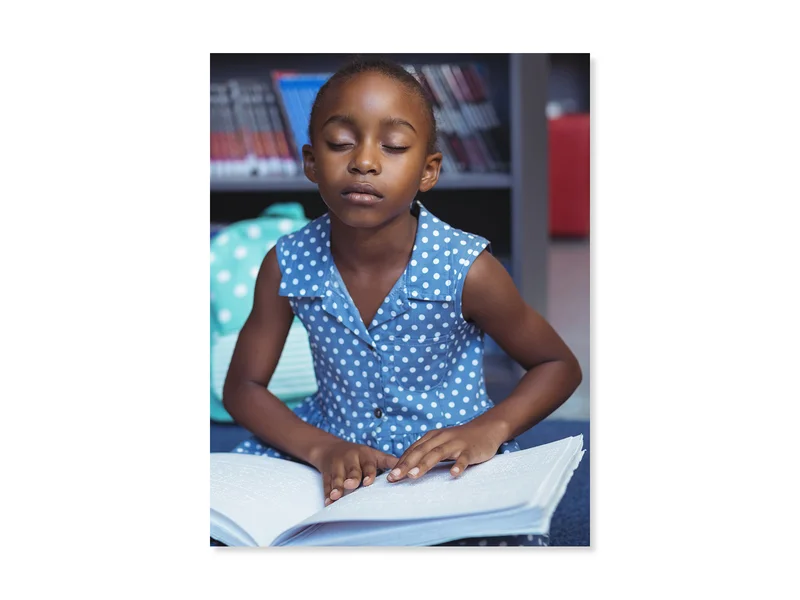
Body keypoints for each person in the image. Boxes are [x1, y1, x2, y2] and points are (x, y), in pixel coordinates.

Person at [222, 57, 582, 546]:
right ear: (310, 162)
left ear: (428, 170)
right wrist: (323, 448)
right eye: (340, 143)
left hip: (445, 462)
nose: (364, 161)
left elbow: (557, 364)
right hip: (323, 455)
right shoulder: (287, 263)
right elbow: (243, 386)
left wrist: (488, 429)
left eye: (392, 146)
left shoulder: (467, 268)